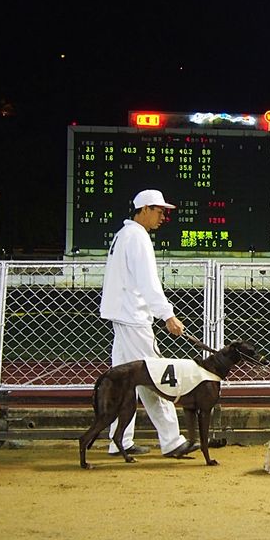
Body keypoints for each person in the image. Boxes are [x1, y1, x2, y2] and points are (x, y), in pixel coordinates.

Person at [99, 189, 198, 459]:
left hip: (122, 316)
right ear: (143, 209)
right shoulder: (138, 237)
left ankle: (119, 441)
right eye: (158, 210)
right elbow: (148, 282)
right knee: (154, 377)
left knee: (124, 381)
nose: (162, 216)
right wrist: (167, 315)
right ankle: (172, 441)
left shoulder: (123, 235)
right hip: (133, 317)